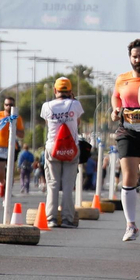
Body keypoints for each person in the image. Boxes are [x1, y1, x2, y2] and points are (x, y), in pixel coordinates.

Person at [112, 39, 140, 243]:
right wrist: (115, 109)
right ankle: (130, 225)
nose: (138, 60)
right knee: (128, 175)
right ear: (130, 58)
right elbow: (116, 97)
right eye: (134, 56)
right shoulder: (122, 79)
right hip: (127, 131)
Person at [40, 77, 85, 226]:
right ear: (70, 91)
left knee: (52, 184)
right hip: (71, 148)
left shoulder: (47, 106)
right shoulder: (75, 104)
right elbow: (78, 122)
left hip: (52, 148)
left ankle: (51, 218)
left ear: (55, 90)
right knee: (68, 185)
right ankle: (67, 218)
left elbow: (47, 123)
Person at [0, 97, 23, 197]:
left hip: (11, 147)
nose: (8, 106)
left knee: (10, 171)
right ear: (4, 105)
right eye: (6, 104)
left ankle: (8, 191)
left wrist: (13, 127)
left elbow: (22, 134)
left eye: (10, 105)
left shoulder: (17, 118)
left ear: (14, 106)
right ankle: (1, 183)